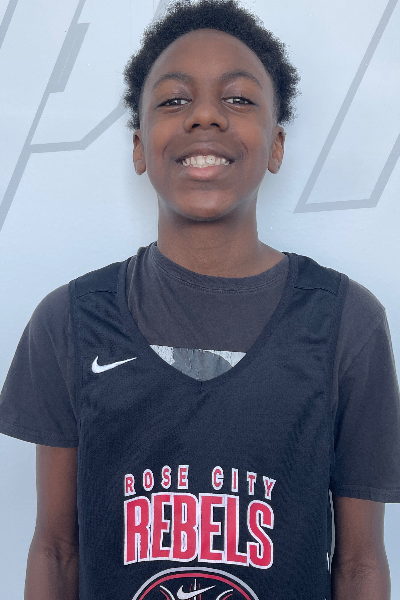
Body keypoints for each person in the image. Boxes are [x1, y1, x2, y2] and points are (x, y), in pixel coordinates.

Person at [1, 1, 399, 598]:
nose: (205, 115)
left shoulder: (346, 323)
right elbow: (56, 550)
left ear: (276, 146)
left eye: (238, 98)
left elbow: (360, 564)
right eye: (173, 100)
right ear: (140, 148)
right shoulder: (70, 322)